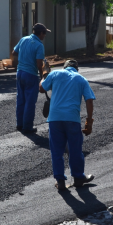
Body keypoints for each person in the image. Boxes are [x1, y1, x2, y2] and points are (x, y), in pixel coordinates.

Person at [39, 59, 96, 191]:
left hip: (55, 119)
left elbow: (42, 88)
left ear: (64, 67)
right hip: (72, 119)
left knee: (57, 150)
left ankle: (60, 181)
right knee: (75, 149)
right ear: (77, 68)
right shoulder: (81, 79)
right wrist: (89, 122)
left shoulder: (55, 74)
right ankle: (78, 177)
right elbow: (89, 100)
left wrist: (44, 75)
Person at [12, 23, 49, 134]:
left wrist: (24, 57)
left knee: (21, 99)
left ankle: (20, 124)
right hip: (30, 75)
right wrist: (43, 77)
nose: (45, 35)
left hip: (20, 73)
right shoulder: (39, 45)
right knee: (30, 101)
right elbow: (39, 64)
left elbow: (14, 52)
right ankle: (27, 127)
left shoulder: (23, 39)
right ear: (41, 33)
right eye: (45, 33)